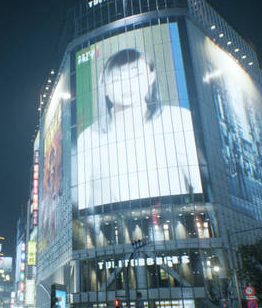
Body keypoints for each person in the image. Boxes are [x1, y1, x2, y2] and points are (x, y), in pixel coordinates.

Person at [77, 48, 201, 209]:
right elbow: (81, 199)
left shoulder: (177, 120)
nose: (127, 85)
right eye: (116, 80)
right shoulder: (89, 138)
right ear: (105, 87)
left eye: (135, 76)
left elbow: (199, 182)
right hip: (110, 228)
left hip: (175, 221)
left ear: (151, 77)